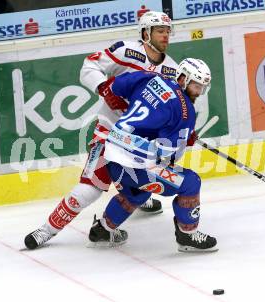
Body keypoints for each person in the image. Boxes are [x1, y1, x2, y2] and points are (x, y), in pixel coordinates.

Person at [24, 11, 178, 250]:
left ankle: (133, 198)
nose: (165, 36)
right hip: (111, 133)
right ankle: (46, 230)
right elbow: (89, 65)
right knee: (91, 188)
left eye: (168, 32)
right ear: (146, 33)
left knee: (145, 185)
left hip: (141, 143)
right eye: (160, 31)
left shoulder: (171, 70)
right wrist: (104, 88)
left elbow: (175, 107)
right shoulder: (126, 51)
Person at [88, 58, 218, 252]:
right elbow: (167, 155)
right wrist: (183, 140)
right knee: (190, 183)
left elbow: (116, 87)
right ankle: (187, 235)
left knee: (139, 191)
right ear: (183, 78)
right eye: (196, 85)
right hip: (135, 165)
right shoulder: (186, 112)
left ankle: (103, 230)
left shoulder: (152, 77)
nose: (199, 92)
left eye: (202, 87)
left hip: (111, 155)